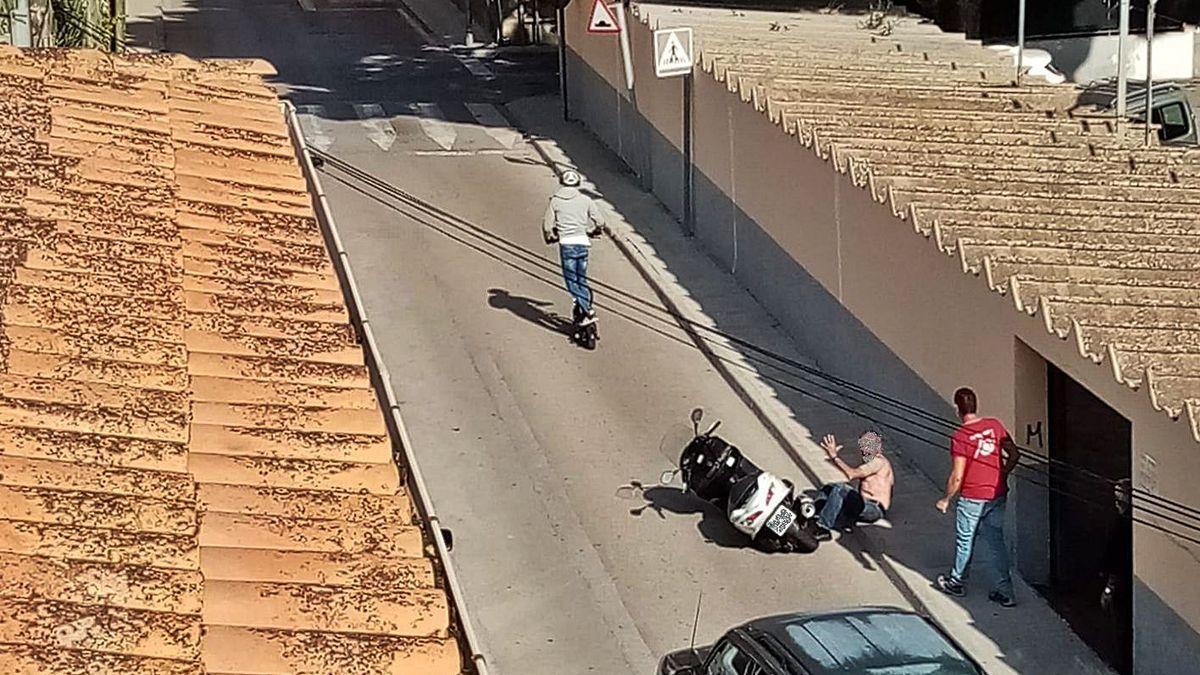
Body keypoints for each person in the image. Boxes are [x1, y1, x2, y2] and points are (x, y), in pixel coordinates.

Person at [935, 387, 1020, 607]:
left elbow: (957, 476)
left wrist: (946, 499)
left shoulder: (961, 437)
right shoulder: (995, 425)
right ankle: (1005, 592)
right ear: (975, 405)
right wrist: (1002, 474)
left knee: (965, 540)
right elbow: (1014, 454)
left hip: (972, 497)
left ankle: (956, 582)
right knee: (995, 542)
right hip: (997, 494)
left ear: (957, 409)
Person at [543, 170, 605, 328]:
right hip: (582, 243)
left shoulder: (555, 202)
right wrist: (594, 231)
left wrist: (550, 236)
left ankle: (587, 309)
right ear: (577, 183)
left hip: (567, 245)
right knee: (582, 280)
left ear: (562, 183)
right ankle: (586, 307)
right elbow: (600, 221)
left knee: (571, 282)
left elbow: (547, 226)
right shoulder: (586, 200)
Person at [811, 431, 894, 540]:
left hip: (872, 509)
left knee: (840, 488)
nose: (864, 449)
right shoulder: (878, 464)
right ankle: (811, 511)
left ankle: (823, 527)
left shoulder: (878, 462)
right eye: (863, 445)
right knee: (830, 487)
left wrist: (834, 457)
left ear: (878, 447)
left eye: (868, 445)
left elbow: (851, 474)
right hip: (863, 505)